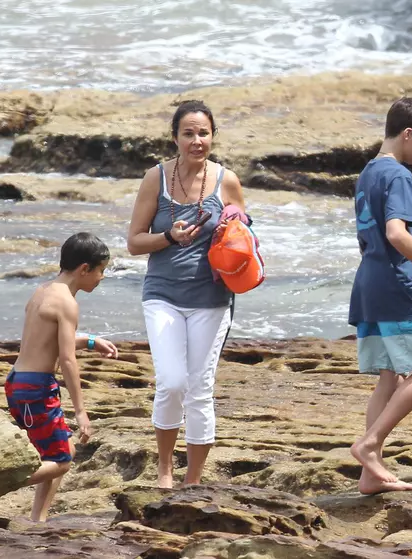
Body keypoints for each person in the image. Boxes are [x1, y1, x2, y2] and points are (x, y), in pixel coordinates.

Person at [127, 100, 247, 489]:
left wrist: (234, 223)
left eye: (204, 133)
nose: (197, 141)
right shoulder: (155, 178)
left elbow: (243, 234)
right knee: (172, 381)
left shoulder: (227, 180)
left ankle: (193, 480)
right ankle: (164, 469)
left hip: (211, 299)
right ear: (175, 137)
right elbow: (133, 242)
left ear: (213, 136)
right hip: (162, 294)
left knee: (199, 388)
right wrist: (169, 237)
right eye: (189, 133)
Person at [348, 97, 412, 494]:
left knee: (390, 376)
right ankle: (369, 446)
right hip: (393, 286)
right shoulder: (400, 176)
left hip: (370, 282)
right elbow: (396, 232)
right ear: (407, 134)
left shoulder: (368, 172)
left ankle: (369, 476)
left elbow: (376, 239)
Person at [0, 232, 119, 521]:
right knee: (61, 460)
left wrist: (91, 342)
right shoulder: (67, 303)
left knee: (60, 450)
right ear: (85, 268)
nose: (101, 278)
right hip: (36, 388)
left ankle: (38, 520)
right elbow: (67, 360)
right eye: (101, 271)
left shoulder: (42, 291)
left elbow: (49, 341)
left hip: (18, 381)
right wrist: (81, 412)